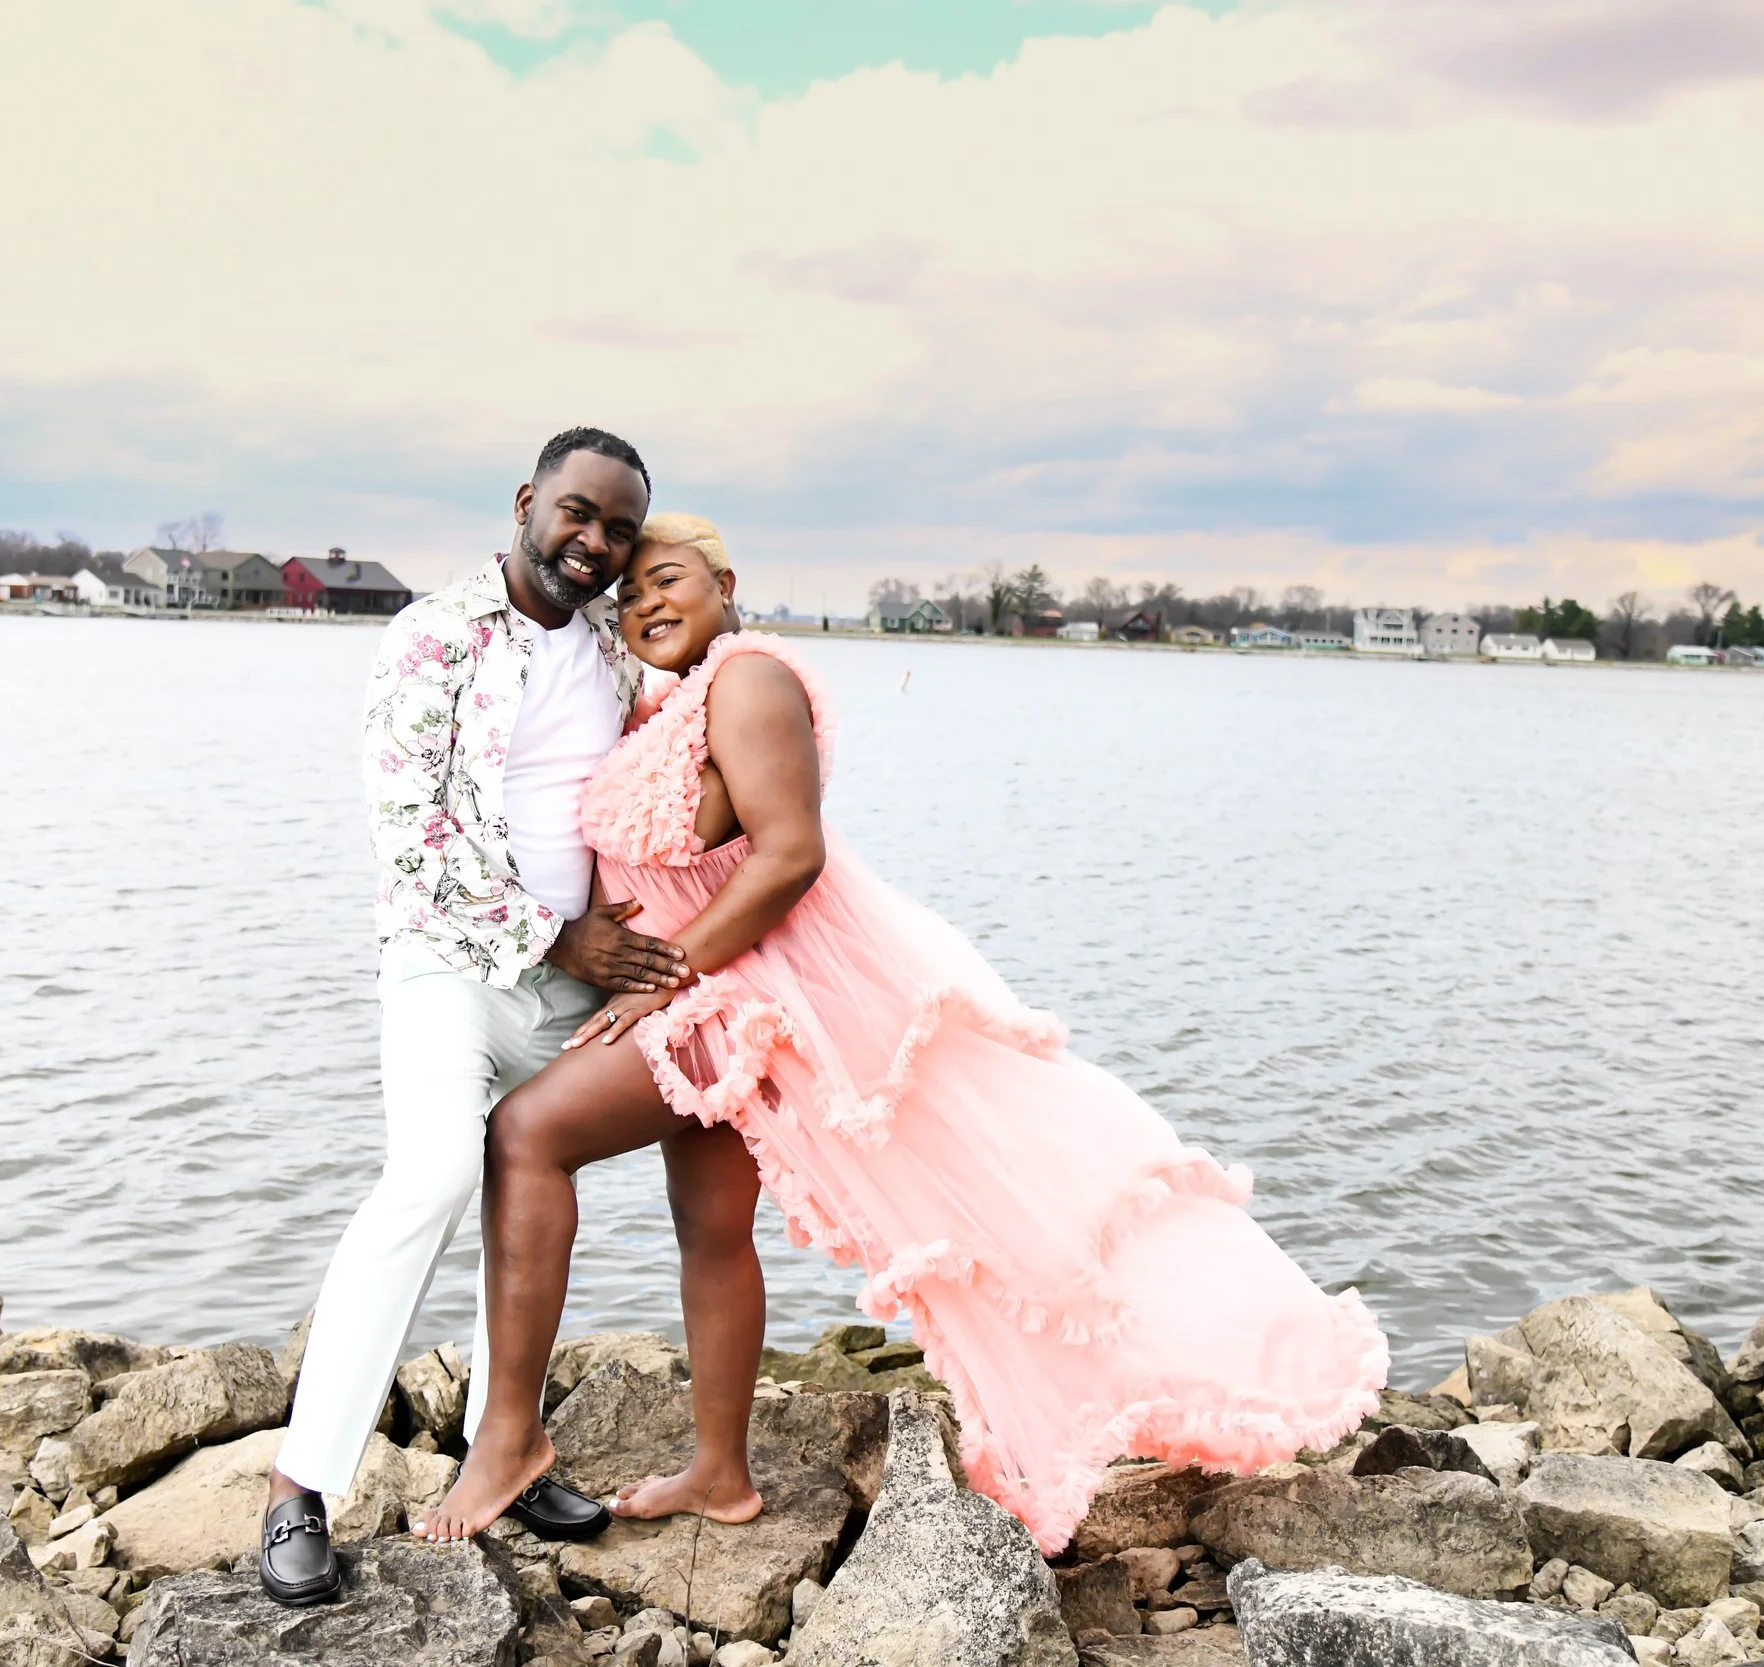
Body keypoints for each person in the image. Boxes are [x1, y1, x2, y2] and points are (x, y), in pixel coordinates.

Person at [415, 515, 1392, 1555]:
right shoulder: (679, 696)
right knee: (708, 1222)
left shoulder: (748, 678)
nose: (644, 604)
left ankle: (507, 1439)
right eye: (629, 595)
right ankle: (719, 1471)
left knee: (526, 1132)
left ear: (725, 581)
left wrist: (660, 978)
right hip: (715, 992)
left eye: (665, 579)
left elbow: (789, 854)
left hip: (737, 997)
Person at [259, 429, 696, 1606]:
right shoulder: (434, 636)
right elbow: (412, 836)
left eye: (616, 528)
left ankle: (505, 1446)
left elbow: (684, 745)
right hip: (448, 967)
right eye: (578, 514)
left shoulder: (612, 652)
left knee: (534, 1185)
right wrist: (563, 936)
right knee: (432, 1173)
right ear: (526, 502)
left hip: (574, 990)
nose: (595, 543)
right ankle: (299, 1483)